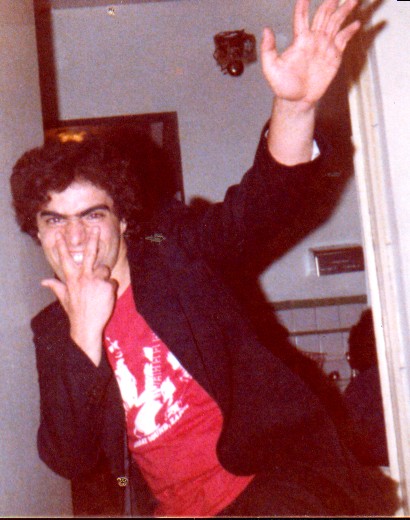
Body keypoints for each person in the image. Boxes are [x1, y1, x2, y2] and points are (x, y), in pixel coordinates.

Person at [10, 0, 399, 516]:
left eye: (92, 215)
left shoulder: (177, 253)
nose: (75, 237)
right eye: (55, 220)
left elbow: (259, 209)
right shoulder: (53, 331)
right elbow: (69, 458)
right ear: (36, 231)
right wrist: (83, 335)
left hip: (266, 487)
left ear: (123, 219)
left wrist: (296, 107)